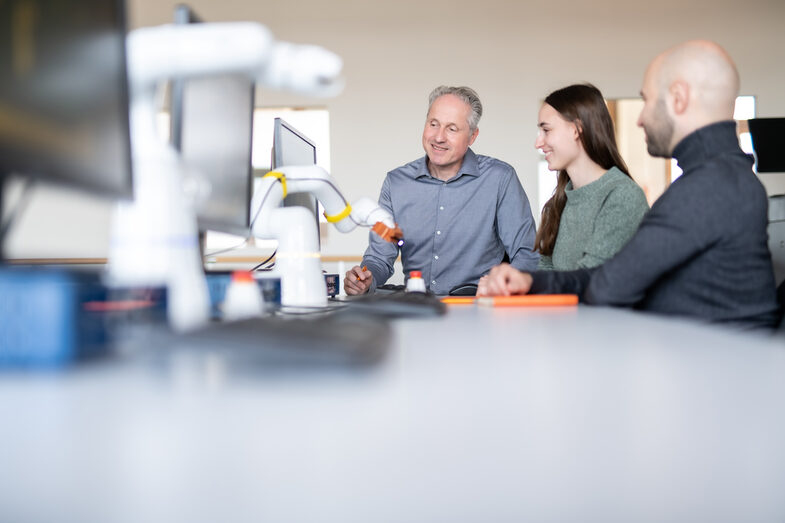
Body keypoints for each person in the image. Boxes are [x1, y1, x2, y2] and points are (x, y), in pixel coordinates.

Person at [478, 40, 780, 329]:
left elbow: (609, 286)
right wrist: (531, 282)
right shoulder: (725, 177)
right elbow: (608, 279)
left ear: (678, 98)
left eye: (647, 100)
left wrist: (533, 284)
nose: (640, 118)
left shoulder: (709, 188)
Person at [344, 85, 539, 295]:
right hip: (417, 310)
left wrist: (506, 287)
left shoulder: (500, 179)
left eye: (452, 128)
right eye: (433, 124)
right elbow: (380, 257)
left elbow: (526, 253)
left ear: (473, 136)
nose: (438, 137)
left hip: (478, 309)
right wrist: (365, 278)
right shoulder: (396, 183)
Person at [535, 84, 649, 271]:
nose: (538, 143)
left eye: (546, 131)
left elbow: (589, 278)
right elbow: (544, 268)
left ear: (576, 129)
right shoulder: (559, 202)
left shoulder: (623, 196)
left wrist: (526, 281)